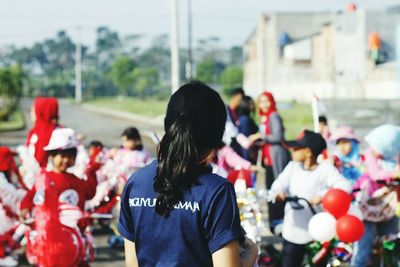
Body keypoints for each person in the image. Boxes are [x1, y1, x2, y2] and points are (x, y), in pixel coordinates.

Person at [118, 82, 258, 266]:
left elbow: (132, 263)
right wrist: (252, 251)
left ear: (169, 126)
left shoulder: (136, 183)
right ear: (216, 140)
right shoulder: (217, 191)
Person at [269, 130, 351, 267]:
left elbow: (344, 186)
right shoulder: (292, 167)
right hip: (292, 231)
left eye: (296, 148)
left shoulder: (325, 169)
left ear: (308, 152)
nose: (292, 151)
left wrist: (323, 196)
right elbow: (277, 186)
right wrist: (278, 193)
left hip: (317, 233)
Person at [352, 124, 400, 267]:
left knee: (390, 246)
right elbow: (375, 174)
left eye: (377, 146)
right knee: (363, 249)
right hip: (369, 208)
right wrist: (394, 174)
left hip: (388, 209)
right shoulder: (369, 155)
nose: (372, 149)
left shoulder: (396, 157)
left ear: (389, 147)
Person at [249, 91, 291, 234]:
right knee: (269, 188)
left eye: (266, 101)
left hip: (276, 158)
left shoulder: (274, 116)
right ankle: (274, 221)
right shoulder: (265, 118)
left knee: (277, 188)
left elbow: (278, 136)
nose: (264, 104)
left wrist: (261, 136)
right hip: (268, 159)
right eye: (261, 101)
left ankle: (280, 219)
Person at [26, 97, 60, 167]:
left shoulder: (43, 135)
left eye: (33, 110)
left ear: (41, 111)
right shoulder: (59, 130)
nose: (31, 113)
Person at [237, 96, 259, 163]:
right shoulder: (245, 119)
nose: (252, 105)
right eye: (250, 103)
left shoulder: (243, 118)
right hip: (248, 151)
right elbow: (247, 138)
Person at [224, 88, 245, 155]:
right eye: (239, 99)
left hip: (238, 145)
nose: (240, 101)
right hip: (228, 144)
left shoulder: (240, 113)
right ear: (233, 97)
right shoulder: (226, 111)